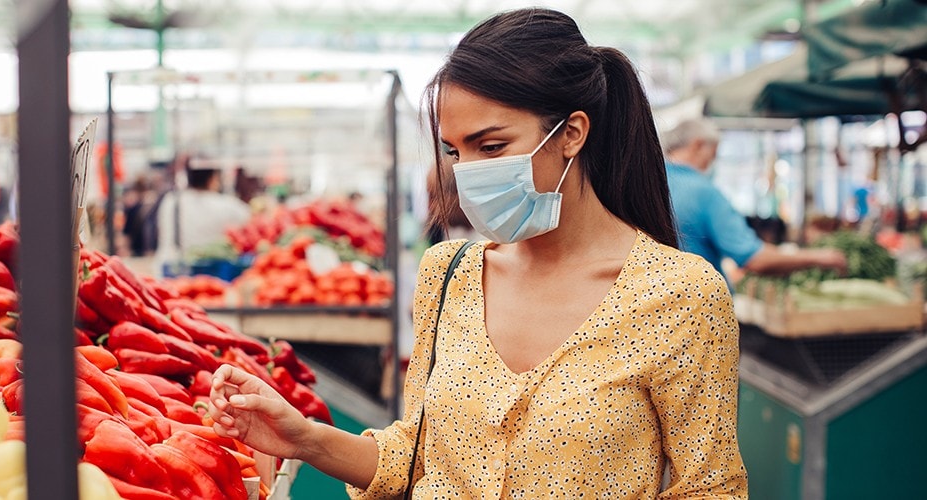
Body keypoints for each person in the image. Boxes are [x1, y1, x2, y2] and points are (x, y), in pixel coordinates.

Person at [210, 8, 748, 498]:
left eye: (491, 148)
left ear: (572, 134)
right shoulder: (449, 276)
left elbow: (710, 487)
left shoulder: (679, 296)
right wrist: (303, 437)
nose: (467, 173)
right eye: (454, 151)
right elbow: (417, 456)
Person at [663, 118, 848, 286]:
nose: (713, 161)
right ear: (697, 145)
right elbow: (754, 258)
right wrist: (821, 258)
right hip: (698, 311)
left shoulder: (650, 185)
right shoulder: (703, 193)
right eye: (713, 153)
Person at [153, 163, 251, 274]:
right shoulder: (227, 205)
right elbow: (251, 220)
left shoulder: (171, 200)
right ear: (213, 178)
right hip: (212, 272)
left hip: (170, 268)